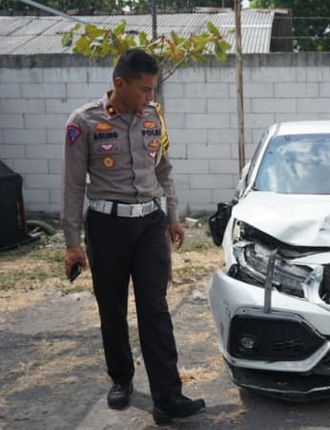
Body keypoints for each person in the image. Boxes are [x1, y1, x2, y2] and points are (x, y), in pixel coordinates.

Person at [61, 49, 205, 424]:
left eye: (153, 90)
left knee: (155, 310)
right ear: (119, 84)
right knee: (112, 307)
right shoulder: (84, 122)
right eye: (143, 90)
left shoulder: (154, 117)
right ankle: (121, 379)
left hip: (150, 226)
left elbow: (165, 170)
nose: (150, 98)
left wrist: (173, 216)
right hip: (107, 227)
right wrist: (72, 242)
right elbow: (73, 185)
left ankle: (168, 398)